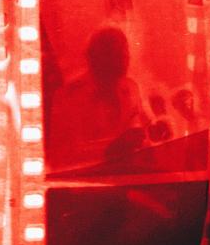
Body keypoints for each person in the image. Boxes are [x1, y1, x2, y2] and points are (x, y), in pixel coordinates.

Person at [47, 27, 148, 171]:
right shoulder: (68, 97)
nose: (125, 57)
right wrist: (109, 151)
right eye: (114, 51)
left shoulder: (131, 88)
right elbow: (60, 158)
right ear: (94, 57)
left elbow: (140, 136)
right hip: (86, 184)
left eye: (125, 50)